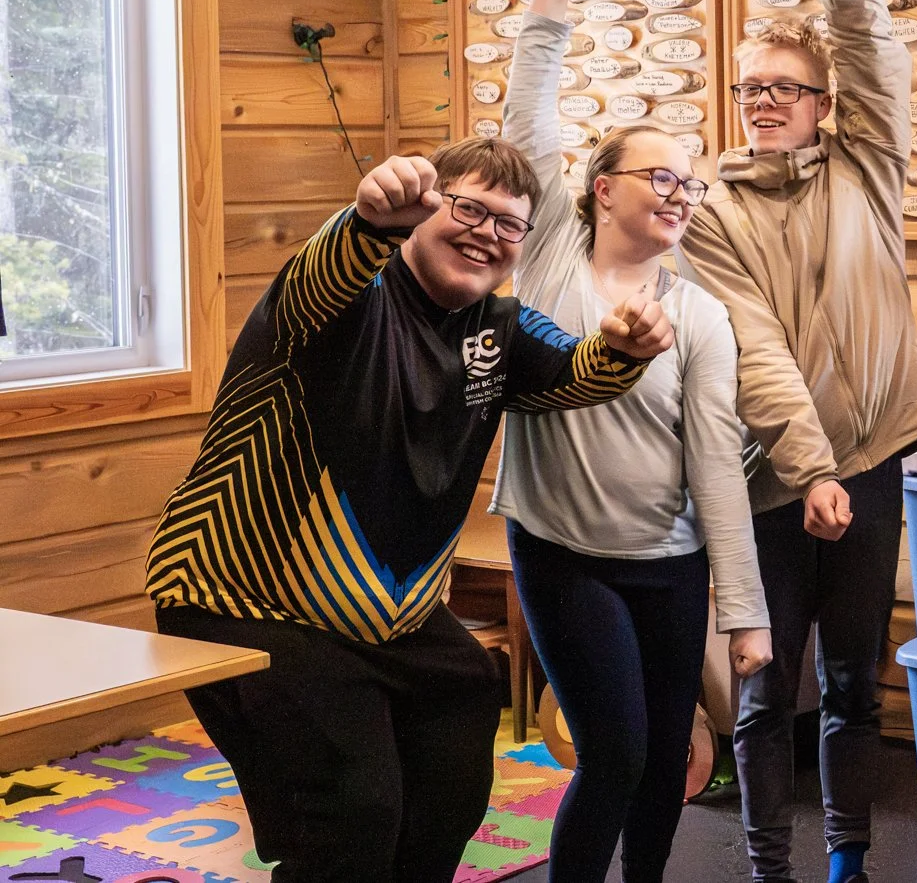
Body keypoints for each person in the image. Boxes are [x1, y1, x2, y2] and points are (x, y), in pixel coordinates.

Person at [145, 140, 674, 883]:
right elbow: (320, 273)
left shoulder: (498, 320)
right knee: (353, 811)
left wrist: (623, 347)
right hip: (245, 598)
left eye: (508, 224)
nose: (487, 232)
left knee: (453, 773)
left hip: (387, 616)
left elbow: (575, 371)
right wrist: (367, 221)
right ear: (423, 211)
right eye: (467, 208)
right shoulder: (343, 297)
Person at [681, 0, 917, 883]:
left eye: (784, 88)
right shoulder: (708, 205)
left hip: (873, 455)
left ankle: (845, 856)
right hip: (764, 478)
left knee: (848, 675)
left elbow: (866, 33)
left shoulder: (867, 165)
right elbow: (750, 346)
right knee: (759, 677)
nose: (763, 102)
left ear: (824, 103)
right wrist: (807, 471)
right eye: (750, 88)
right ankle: (764, 864)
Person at [490, 0, 773, 883]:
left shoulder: (698, 315)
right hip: (564, 554)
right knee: (612, 753)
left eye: (690, 183)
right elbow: (527, 118)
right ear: (602, 189)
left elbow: (716, 472)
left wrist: (743, 611)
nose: (680, 192)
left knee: (664, 762)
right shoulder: (551, 259)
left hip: (669, 561)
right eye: (661, 176)